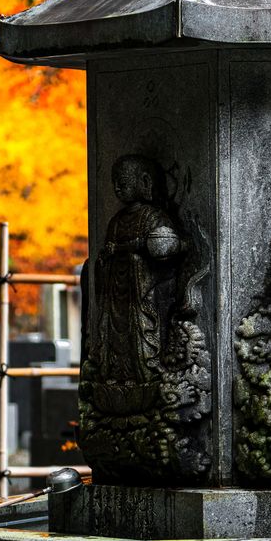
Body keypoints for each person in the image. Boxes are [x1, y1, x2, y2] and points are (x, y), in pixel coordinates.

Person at [91, 155, 183, 385]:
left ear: (143, 182)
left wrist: (131, 251)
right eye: (114, 182)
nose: (117, 187)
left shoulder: (153, 217)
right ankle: (116, 373)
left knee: (140, 333)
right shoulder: (116, 221)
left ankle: (145, 370)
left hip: (140, 293)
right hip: (117, 295)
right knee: (115, 336)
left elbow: (162, 247)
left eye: (123, 181)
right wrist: (106, 261)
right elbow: (107, 252)